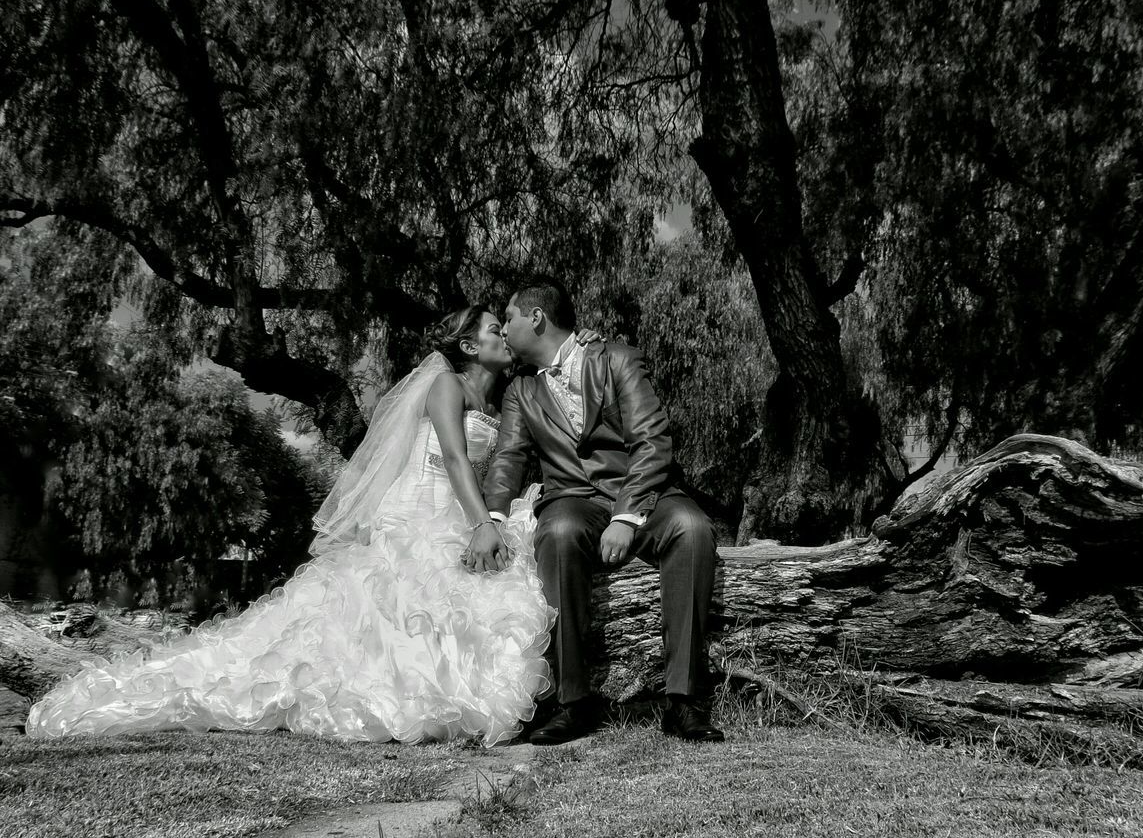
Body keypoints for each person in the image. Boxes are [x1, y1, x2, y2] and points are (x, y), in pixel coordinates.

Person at [26, 306, 572, 747]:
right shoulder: (448, 385)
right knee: (386, 605)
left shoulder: (501, 400)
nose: (506, 336)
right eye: (495, 329)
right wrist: (482, 522)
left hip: (457, 509)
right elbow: (455, 459)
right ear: (470, 346)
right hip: (418, 510)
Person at [485, 276, 724, 744]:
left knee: (693, 528)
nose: (504, 329)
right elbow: (508, 458)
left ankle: (685, 702)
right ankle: (572, 702)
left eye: (508, 318)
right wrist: (491, 518)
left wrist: (625, 515)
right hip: (572, 501)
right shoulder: (520, 392)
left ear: (536, 318)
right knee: (556, 533)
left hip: (646, 496)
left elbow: (652, 441)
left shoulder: (616, 357)